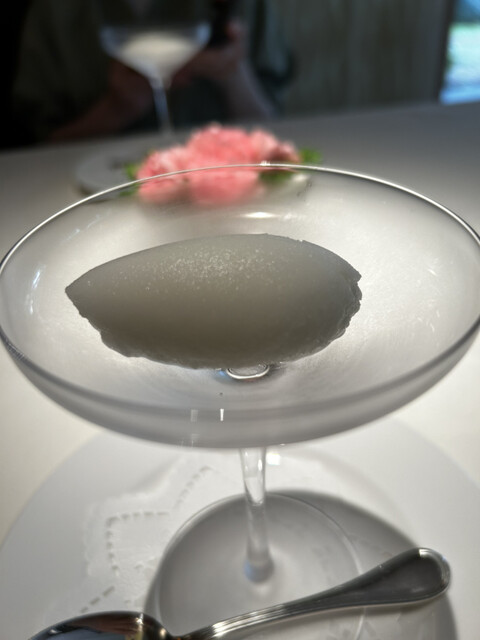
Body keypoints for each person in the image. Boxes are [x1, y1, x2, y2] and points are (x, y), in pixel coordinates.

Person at [11, 0, 293, 145]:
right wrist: (116, 109)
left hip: (230, 190)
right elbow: (33, 155)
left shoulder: (237, 7)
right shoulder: (57, 13)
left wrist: (233, 72)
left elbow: (278, 130)